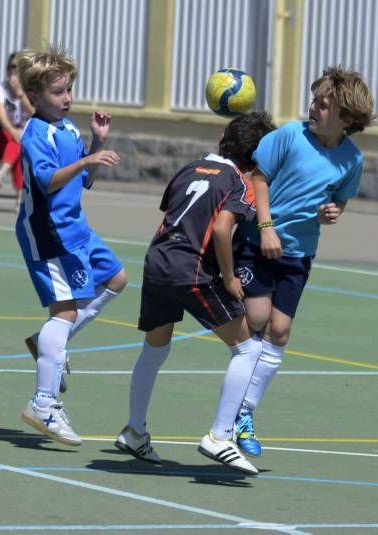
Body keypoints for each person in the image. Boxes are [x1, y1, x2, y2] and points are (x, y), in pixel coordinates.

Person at [114, 111, 276, 475]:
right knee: (248, 347)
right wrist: (230, 276)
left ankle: (134, 430)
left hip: (157, 260)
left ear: (222, 137)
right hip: (193, 270)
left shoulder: (189, 168)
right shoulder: (240, 182)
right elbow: (221, 229)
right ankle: (220, 436)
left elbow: (173, 211)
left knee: (154, 348)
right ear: (257, 159)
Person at [231, 66, 375, 457]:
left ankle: (243, 412)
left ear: (347, 118)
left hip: (299, 252)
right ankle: (234, 394)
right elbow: (258, 178)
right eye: (314, 100)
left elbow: (339, 197)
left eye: (324, 105)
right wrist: (266, 227)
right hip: (256, 242)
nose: (314, 108)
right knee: (257, 319)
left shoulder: (351, 159)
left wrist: (334, 211)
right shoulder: (291, 136)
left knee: (279, 332)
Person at [14, 44, 126, 447]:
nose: (67, 98)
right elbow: (48, 181)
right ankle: (43, 403)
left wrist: (95, 145)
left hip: (76, 228)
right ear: (35, 96)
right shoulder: (35, 134)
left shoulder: (66, 130)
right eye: (58, 91)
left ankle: (46, 342)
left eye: (69, 89)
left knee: (116, 278)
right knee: (64, 312)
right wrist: (81, 162)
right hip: (49, 232)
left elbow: (84, 180)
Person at [0, 52, 33, 206]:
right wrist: (14, 132)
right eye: (10, 67)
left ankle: (2, 173)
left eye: (16, 67)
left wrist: (20, 94)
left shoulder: (30, 89)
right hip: (5, 134)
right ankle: (19, 197)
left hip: (27, 135)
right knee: (18, 142)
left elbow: (34, 114)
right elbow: (1, 117)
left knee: (20, 143)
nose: (12, 71)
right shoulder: (0, 88)